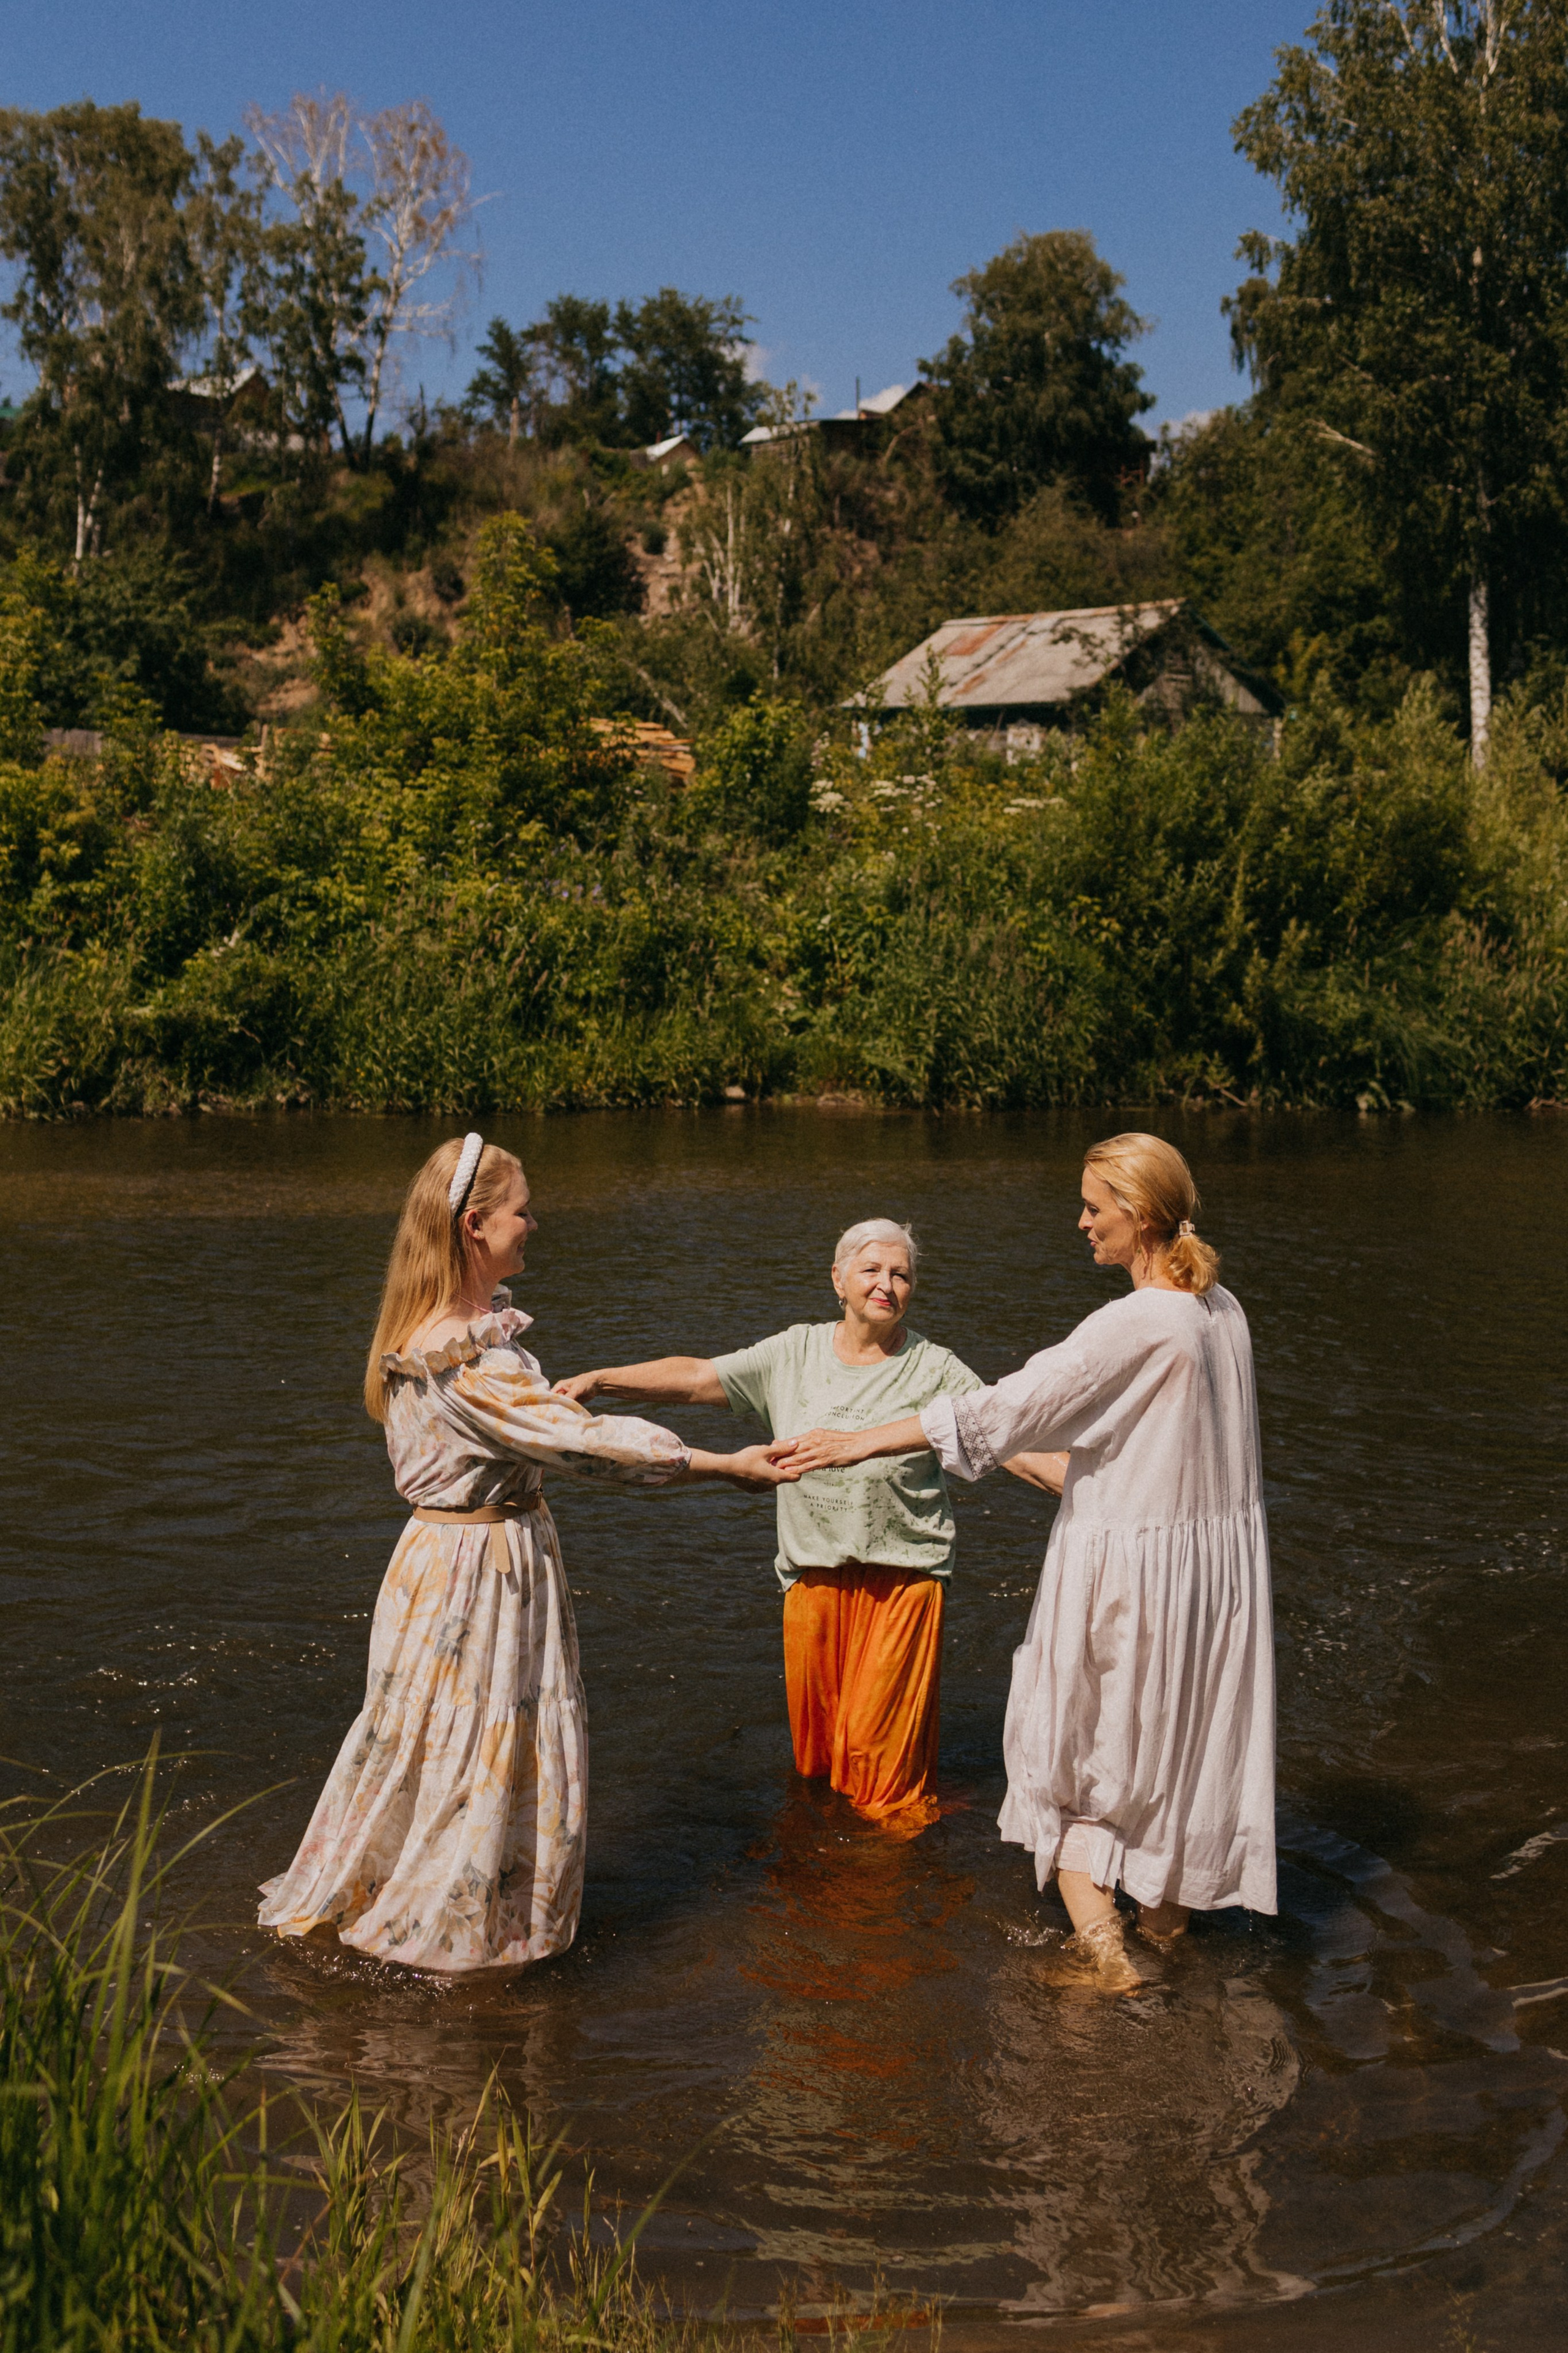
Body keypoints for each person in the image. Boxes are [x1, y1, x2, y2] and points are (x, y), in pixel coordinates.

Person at [258, 1133, 788, 1974]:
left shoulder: (441, 1333)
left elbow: (532, 1420)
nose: (533, 1223)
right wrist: (721, 1465)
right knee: (478, 1743)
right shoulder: (463, 1354)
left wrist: (551, 1396)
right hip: (477, 1574)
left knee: (427, 1740)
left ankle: (401, 1900)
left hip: (445, 1560)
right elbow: (581, 1443)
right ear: (475, 1226)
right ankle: (455, 1935)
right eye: (521, 1211)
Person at [778, 1138, 1275, 1990]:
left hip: (1131, 1579)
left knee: (1075, 1761)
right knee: (1182, 1755)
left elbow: (997, 1410)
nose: (1081, 1221)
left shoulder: (1134, 1323)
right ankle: (1167, 1945)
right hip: (1213, 1586)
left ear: (1141, 1216)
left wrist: (857, 1440)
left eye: (1094, 1206)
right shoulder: (1221, 1310)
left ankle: (1105, 1956)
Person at [555, 1218, 1065, 1833]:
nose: (886, 1284)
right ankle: (845, 1872)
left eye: (900, 1274)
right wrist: (601, 1379)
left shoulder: (935, 1368)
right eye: (871, 1270)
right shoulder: (793, 1353)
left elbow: (1006, 1443)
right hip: (812, 1580)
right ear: (839, 1279)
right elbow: (696, 1377)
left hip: (904, 1581)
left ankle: (878, 1898)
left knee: (878, 1770)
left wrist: (1110, 1495)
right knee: (822, 1765)